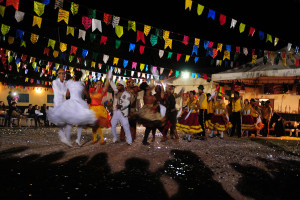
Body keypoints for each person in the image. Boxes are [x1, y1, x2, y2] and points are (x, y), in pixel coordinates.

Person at [48, 70, 97, 147]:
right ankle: (78, 140)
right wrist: (88, 99)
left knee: (69, 122)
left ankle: (67, 139)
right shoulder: (82, 84)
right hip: (80, 103)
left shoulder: (70, 84)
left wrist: (70, 98)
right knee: (80, 123)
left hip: (71, 103)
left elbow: (67, 95)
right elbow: (87, 95)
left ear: (74, 76)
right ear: (81, 77)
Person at [48, 68, 68, 145]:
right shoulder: (55, 82)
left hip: (64, 102)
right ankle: (63, 135)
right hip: (58, 103)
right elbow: (59, 91)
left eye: (64, 73)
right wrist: (66, 93)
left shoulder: (66, 83)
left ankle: (64, 135)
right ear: (58, 74)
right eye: (61, 73)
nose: (62, 75)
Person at [110, 79, 133, 145]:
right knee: (113, 124)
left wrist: (121, 106)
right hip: (115, 111)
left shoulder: (127, 94)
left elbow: (127, 102)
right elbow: (113, 85)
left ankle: (129, 140)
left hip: (123, 112)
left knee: (125, 126)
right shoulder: (116, 92)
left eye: (120, 85)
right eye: (118, 85)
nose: (118, 86)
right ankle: (115, 138)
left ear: (123, 86)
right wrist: (109, 78)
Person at [89, 78, 111, 145]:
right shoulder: (91, 90)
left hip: (99, 109)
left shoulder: (102, 91)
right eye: (97, 84)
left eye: (100, 84)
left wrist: (108, 78)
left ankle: (102, 139)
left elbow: (106, 86)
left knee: (97, 124)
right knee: (93, 125)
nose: (98, 85)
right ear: (95, 84)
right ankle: (95, 139)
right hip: (92, 108)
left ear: (101, 85)